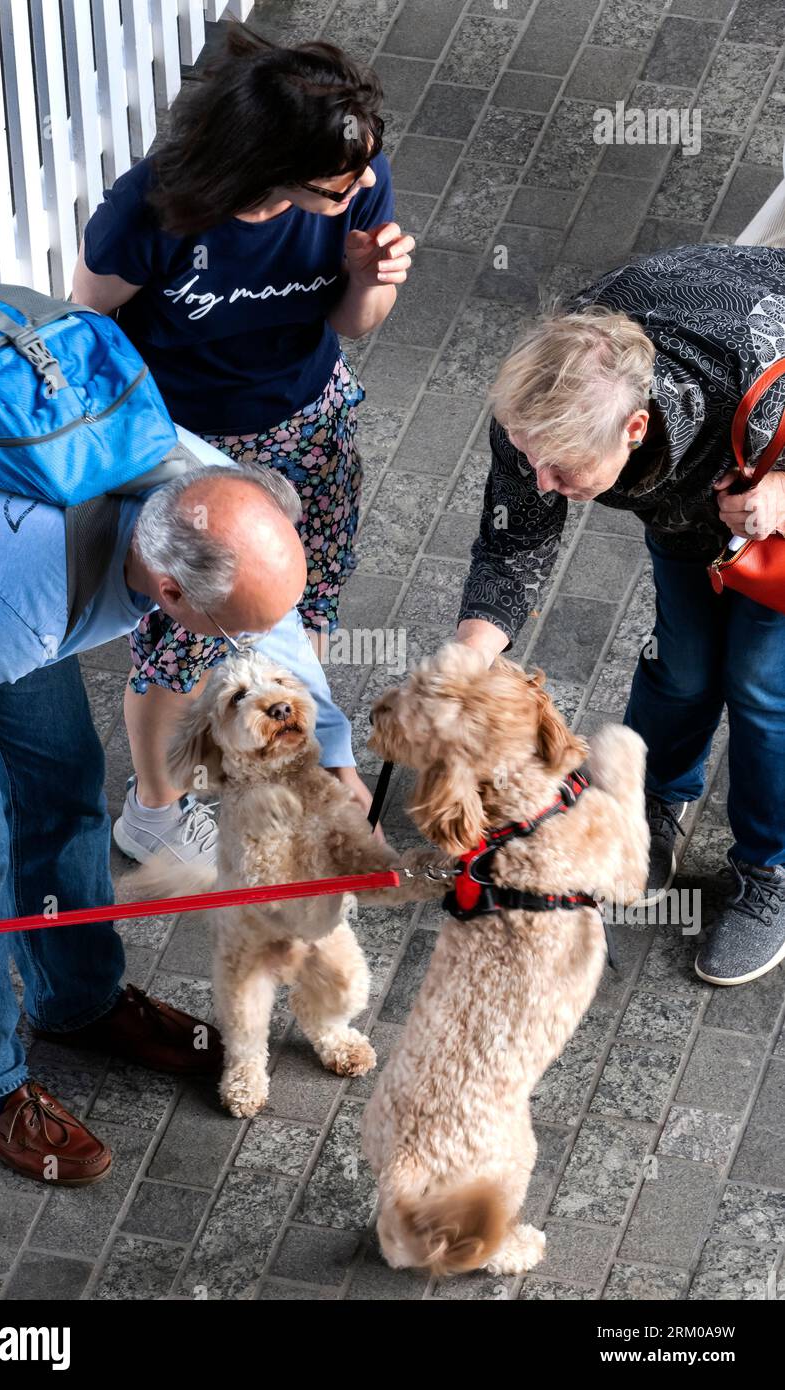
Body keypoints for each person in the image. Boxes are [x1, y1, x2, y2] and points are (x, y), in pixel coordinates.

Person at [0, 449, 352, 1182]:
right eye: (224, 634)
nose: (235, 650)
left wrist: (337, 762)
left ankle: (78, 1001)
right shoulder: (16, 613)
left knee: (62, 777)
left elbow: (269, 627)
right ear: (169, 591)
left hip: (5, 563)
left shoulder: (201, 487)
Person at [71, 24, 413, 868]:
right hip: (193, 450)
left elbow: (350, 327)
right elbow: (88, 328)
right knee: (181, 640)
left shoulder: (352, 188)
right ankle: (153, 810)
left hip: (310, 422)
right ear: (269, 165)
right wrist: (141, 457)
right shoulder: (153, 209)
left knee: (305, 601)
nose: (364, 182)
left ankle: (286, 769)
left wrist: (371, 282)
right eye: (342, 178)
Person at [454, 242, 785, 987]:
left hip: (772, 495)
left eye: (562, 470)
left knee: (764, 691)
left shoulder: (761, 370)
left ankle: (772, 869)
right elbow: (514, 545)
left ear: (635, 430)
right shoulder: (541, 404)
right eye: (529, 458)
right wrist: (469, 659)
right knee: (685, 668)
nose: (541, 480)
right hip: (686, 511)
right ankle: (646, 810)